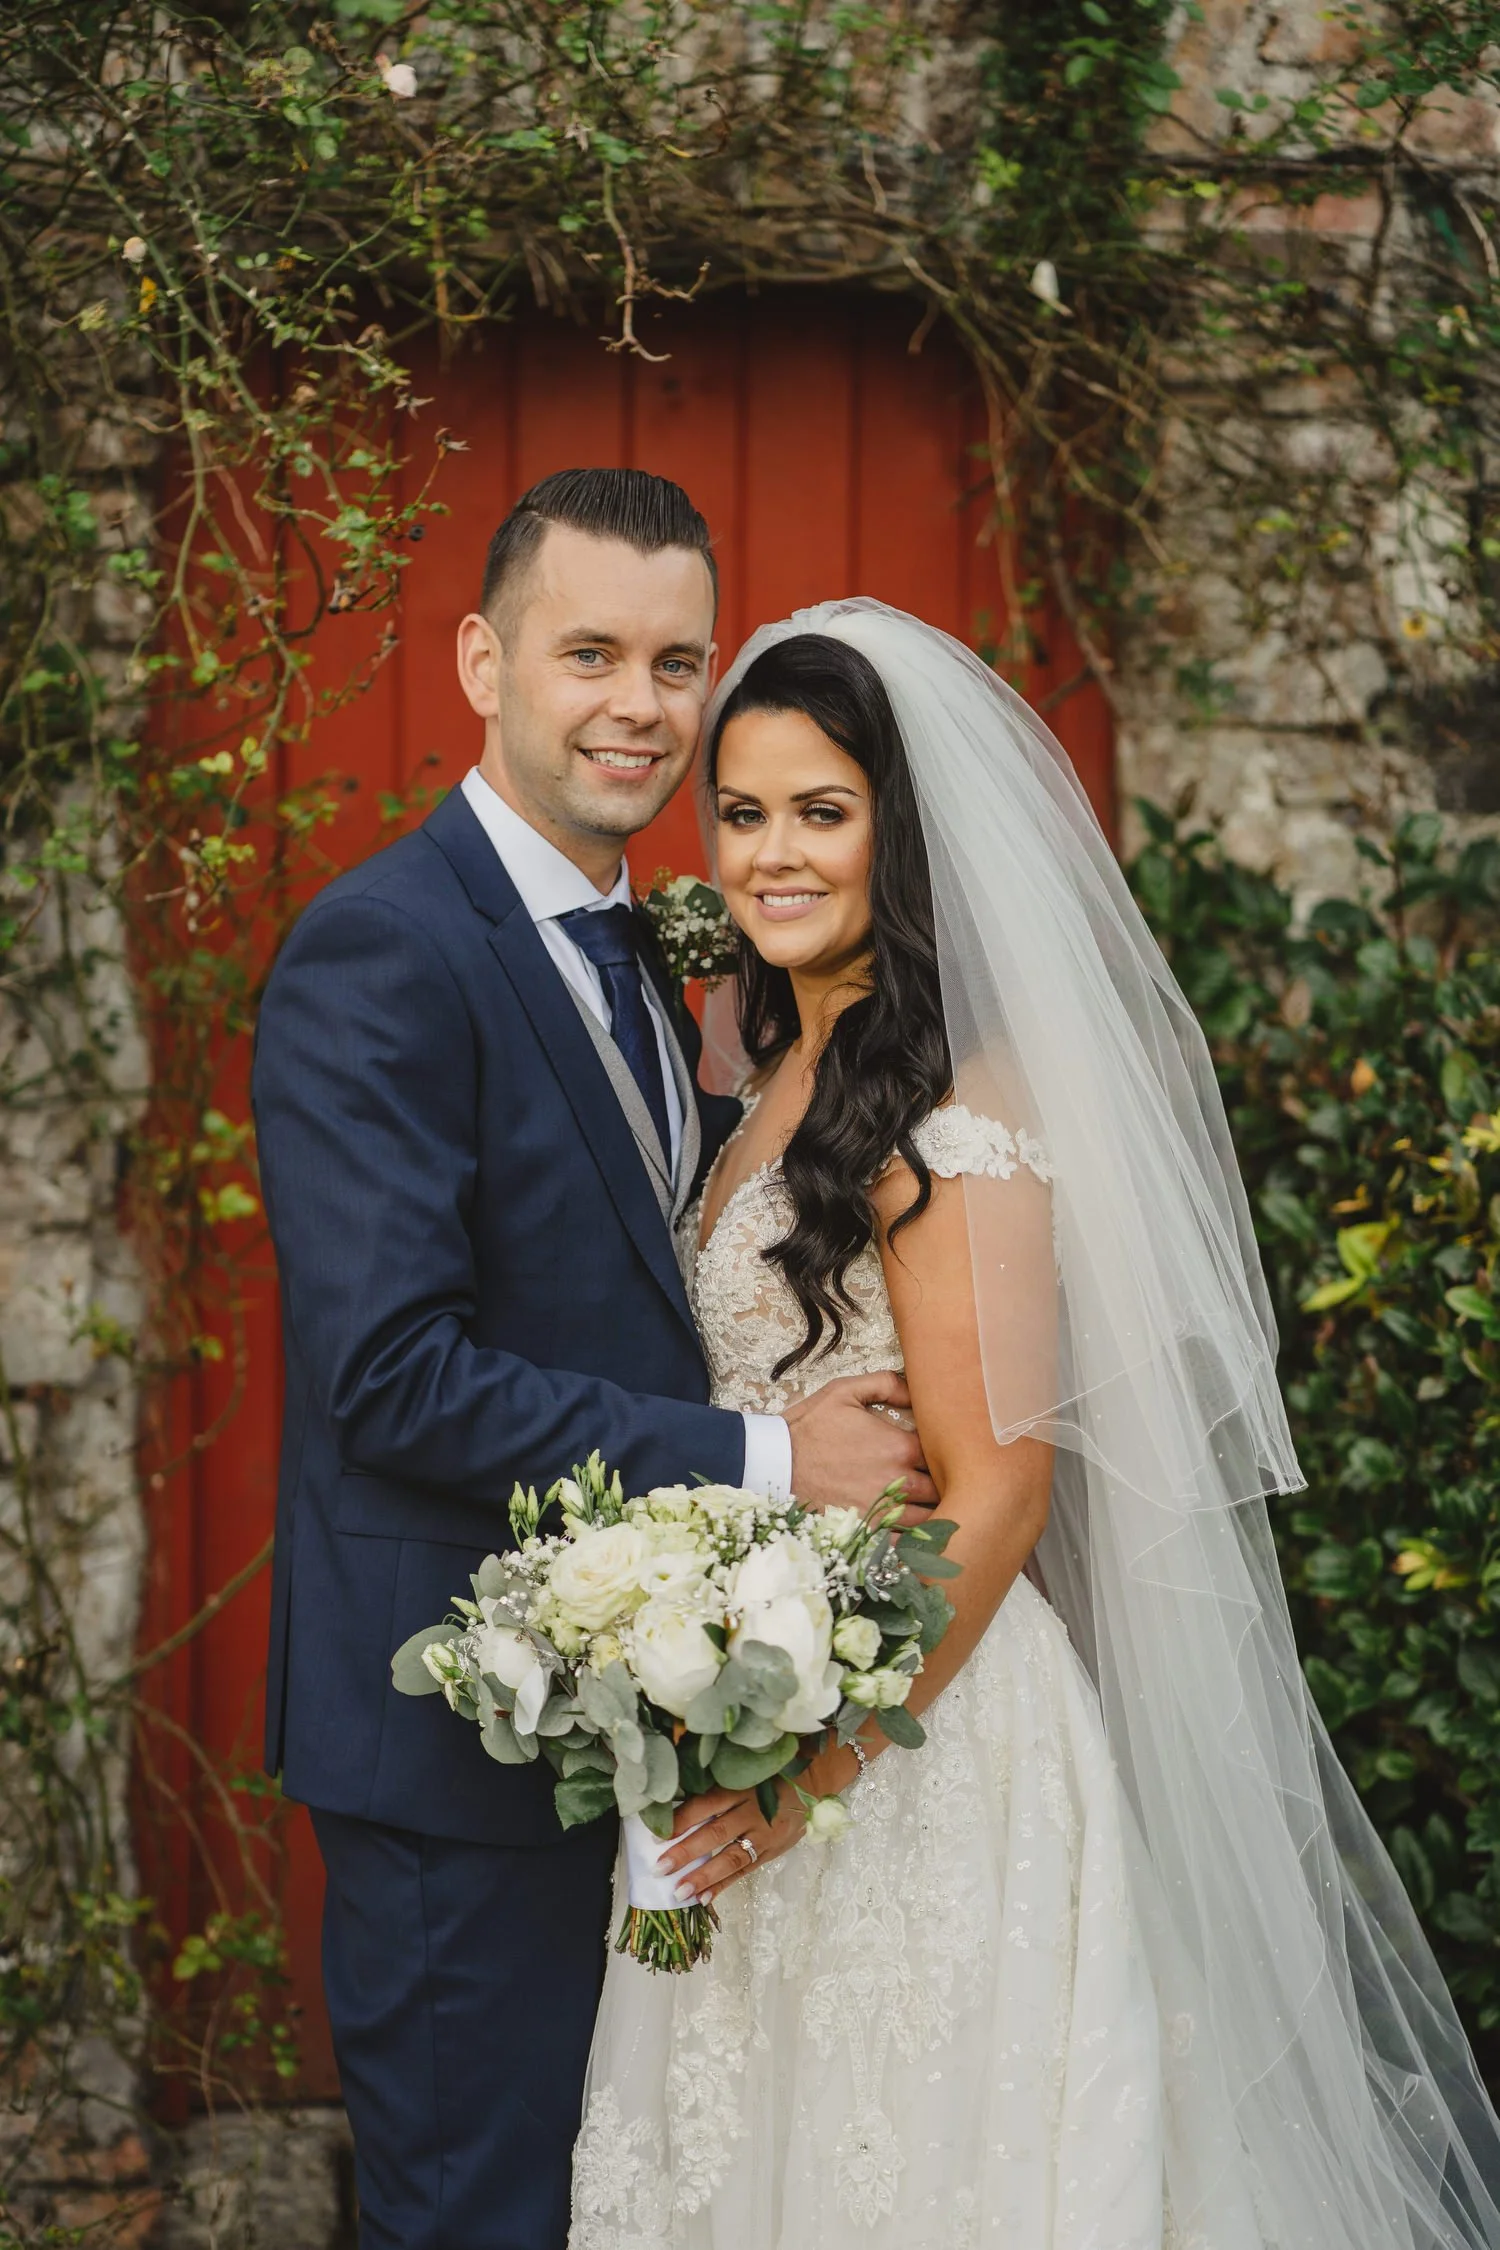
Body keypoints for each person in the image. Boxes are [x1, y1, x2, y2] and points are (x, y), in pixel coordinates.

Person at [570, 603, 1500, 2250]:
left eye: (823, 812)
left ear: (900, 837)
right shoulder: (776, 1067)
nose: (774, 854)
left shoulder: (952, 1112)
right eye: (745, 811)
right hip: (756, 1706)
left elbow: (998, 1492)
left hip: (912, 1749)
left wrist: (815, 1771)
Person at [250, 479, 932, 2250]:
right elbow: (394, 1374)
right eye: (590, 653)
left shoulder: (668, 950)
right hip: (456, 1751)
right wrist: (773, 1461)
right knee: (478, 2216)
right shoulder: (380, 951)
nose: (640, 701)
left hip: (647, 1732)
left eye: (677, 658)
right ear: (483, 660)